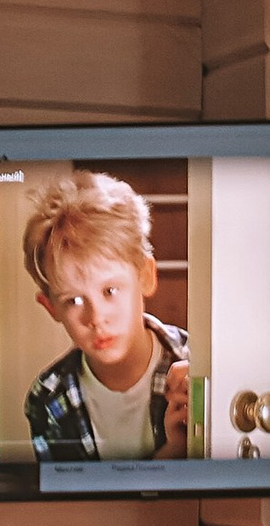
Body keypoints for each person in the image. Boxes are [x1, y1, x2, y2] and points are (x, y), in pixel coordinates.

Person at [21, 171, 190, 462]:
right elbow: (78, 504)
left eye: (110, 290)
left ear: (146, 277)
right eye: (73, 300)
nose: (96, 318)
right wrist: (168, 456)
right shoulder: (47, 397)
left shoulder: (197, 367)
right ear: (51, 308)